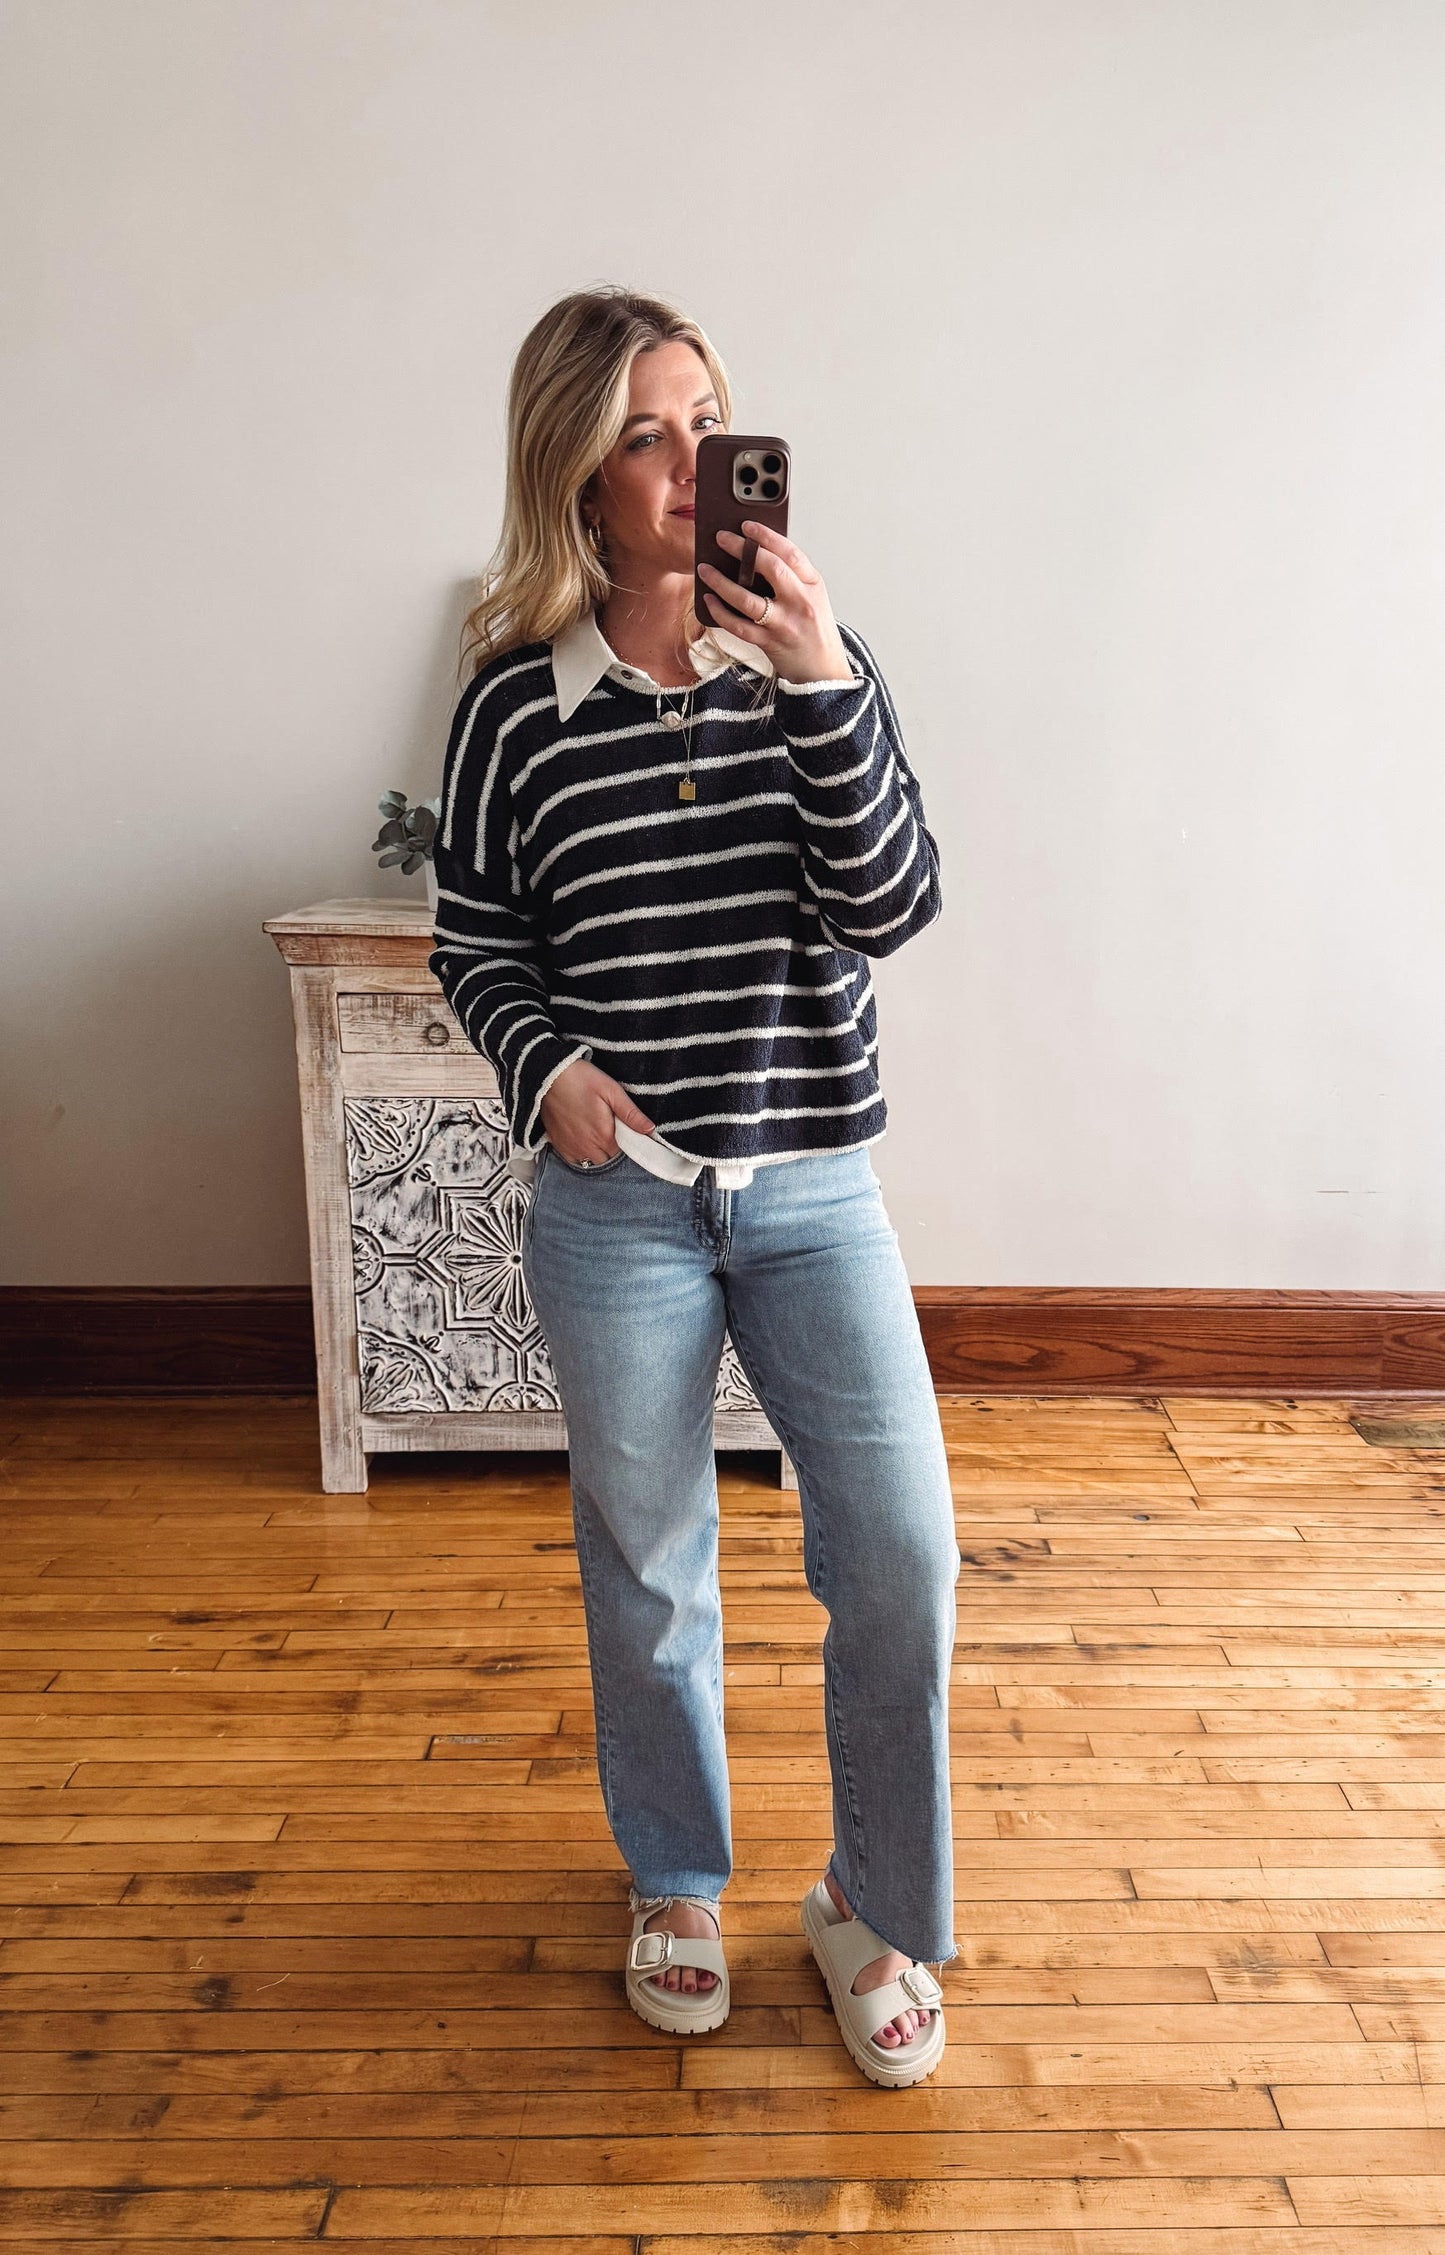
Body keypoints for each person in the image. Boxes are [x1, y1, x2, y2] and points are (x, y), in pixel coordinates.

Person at [430, 285, 961, 2087]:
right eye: (644, 431)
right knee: (649, 1568)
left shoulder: (822, 659)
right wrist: (546, 1072)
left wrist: (816, 679)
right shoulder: (515, 701)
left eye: (708, 420)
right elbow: (476, 935)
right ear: (576, 472)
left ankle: (871, 1904)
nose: (684, 463)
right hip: (618, 1200)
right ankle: (673, 1878)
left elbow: (892, 907)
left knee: (897, 1560)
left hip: (812, 1184)